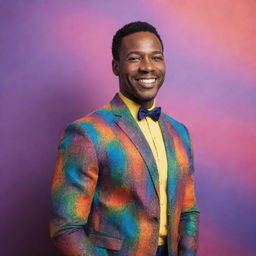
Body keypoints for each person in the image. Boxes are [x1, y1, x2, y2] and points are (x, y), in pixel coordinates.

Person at [50, 21, 200, 256]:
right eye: (134, 58)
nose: (147, 67)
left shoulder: (180, 133)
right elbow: (66, 227)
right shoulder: (87, 133)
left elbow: (189, 211)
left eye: (156, 57)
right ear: (116, 66)